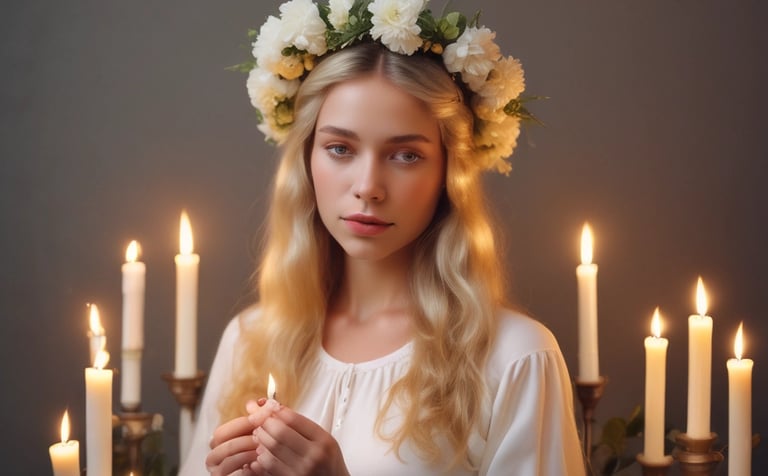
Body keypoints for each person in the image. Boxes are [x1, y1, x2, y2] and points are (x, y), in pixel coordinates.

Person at [181, 1, 585, 474]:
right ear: (307, 160)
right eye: (340, 149)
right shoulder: (251, 339)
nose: (368, 186)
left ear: (448, 172)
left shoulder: (515, 358)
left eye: (406, 156)